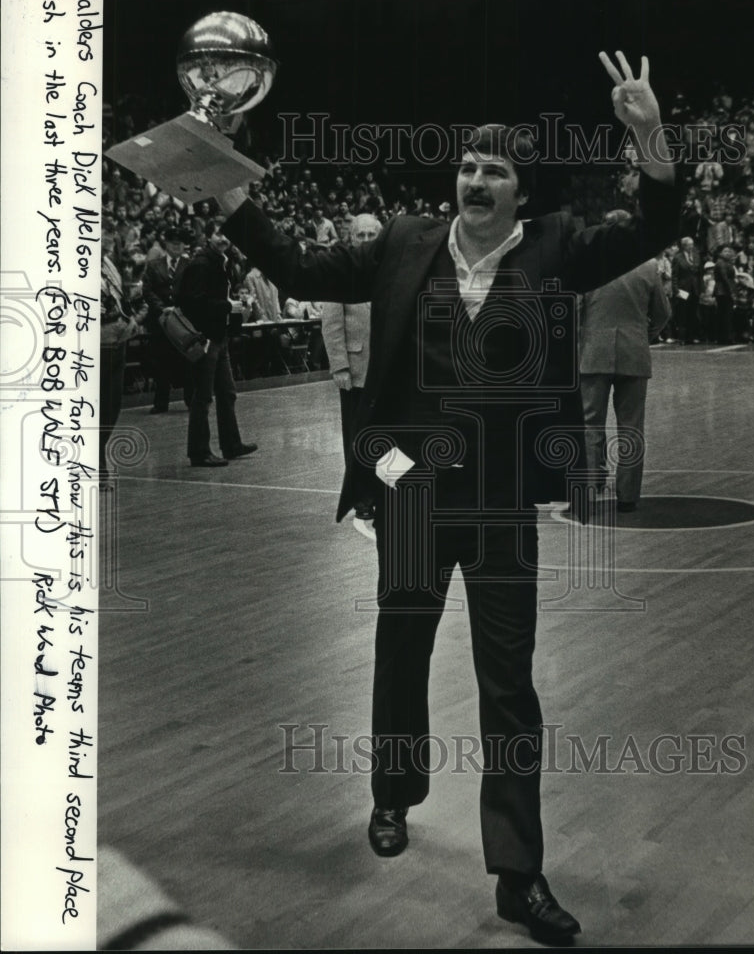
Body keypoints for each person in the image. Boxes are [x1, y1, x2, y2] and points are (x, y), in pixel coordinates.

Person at [216, 52, 680, 945]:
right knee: (399, 656)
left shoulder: (558, 250)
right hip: (414, 497)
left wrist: (647, 134)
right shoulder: (400, 242)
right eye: (467, 165)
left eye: (494, 170)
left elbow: (655, 222)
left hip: (503, 504)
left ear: (520, 190)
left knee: (508, 689)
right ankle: (392, 795)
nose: (475, 178)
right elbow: (294, 266)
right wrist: (229, 189)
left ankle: (518, 873)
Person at [578, 225, 671, 513]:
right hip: (634, 352)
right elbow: (664, 313)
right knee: (631, 427)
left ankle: (590, 488)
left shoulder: (588, 266)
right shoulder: (648, 266)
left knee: (590, 424)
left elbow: (572, 310)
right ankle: (628, 496)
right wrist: (645, 336)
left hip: (593, 353)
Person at [177, 216, 258, 467]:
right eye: (218, 234)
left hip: (218, 336)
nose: (223, 239)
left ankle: (231, 444)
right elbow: (190, 302)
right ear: (208, 236)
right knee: (203, 396)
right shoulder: (202, 264)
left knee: (227, 393)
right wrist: (227, 305)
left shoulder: (222, 262)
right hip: (207, 337)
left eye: (227, 235)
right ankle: (199, 452)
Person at [320, 214, 382, 530]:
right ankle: (362, 498)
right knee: (357, 438)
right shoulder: (340, 274)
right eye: (362, 234)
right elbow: (331, 324)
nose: (368, 239)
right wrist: (340, 366)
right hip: (356, 371)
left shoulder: (393, 272)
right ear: (352, 238)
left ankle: (386, 494)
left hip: (387, 373)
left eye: (374, 233)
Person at [100, 225, 148, 487]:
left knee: (111, 407)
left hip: (118, 341)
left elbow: (121, 298)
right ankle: (96, 465)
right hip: (93, 346)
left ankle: (98, 458)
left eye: (108, 233)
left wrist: (133, 307)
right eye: (101, 231)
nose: (108, 237)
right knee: (93, 408)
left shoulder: (109, 262)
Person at [142, 227, 191, 413]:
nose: (177, 246)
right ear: (167, 244)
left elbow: (194, 289)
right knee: (161, 362)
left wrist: (178, 309)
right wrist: (163, 309)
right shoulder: (154, 265)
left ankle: (190, 400)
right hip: (161, 322)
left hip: (183, 321)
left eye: (180, 243)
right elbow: (147, 290)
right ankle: (160, 403)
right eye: (173, 242)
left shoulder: (190, 264)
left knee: (187, 361)